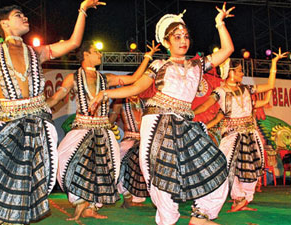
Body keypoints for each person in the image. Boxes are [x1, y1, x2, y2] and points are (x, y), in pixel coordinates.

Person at [0, 1, 104, 224]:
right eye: (18, 15)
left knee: (27, 176)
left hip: (36, 122)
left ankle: (9, 216)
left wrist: (82, 10)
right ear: (4, 23)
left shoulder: (36, 52)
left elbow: (73, 43)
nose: (25, 18)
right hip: (7, 119)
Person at [89, 3, 235, 225]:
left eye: (185, 36)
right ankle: (167, 220)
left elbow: (227, 51)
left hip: (186, 123)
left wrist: (219, 24)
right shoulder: (159, 64)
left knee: (214, 163)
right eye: (177, 37)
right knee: (161, 175)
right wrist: (106, 93)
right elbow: (137, 88)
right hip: (159, 121)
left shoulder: (197, 65)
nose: (183, 40)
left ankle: (201, 216)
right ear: (167, 42)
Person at [47, 40, 160, 221]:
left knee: (103, 168)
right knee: (67, 161)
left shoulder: (105, 78)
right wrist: (38, 107)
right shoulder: (73, 78)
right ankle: (80, 203)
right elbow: (56, 98)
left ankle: (91, 207)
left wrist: (147, 57)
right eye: (96, 52)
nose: (100, 55)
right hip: (81, 128)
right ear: (85, 54)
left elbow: (133, 79)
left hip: (102, 130)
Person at [194, 49, 288, 212]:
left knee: (251, 167)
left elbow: (270, 86)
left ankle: (244, 199)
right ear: (230, 72)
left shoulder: (247, 89)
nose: (242, 73)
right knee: (225, 165)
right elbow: (206, 106)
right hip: (232, 134)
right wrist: (190, 113)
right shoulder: (220, 92)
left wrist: (273, 64)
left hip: (250, 134)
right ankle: (237, 197)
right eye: (239, 71)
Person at [109, 95, 148, 208]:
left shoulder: (143, 101)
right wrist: (105, 126)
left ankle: (136, 198)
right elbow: (113, 117)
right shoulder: (120, 101)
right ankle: (127, 197)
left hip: (143, 139)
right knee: (120, 166)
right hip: (129, 138)